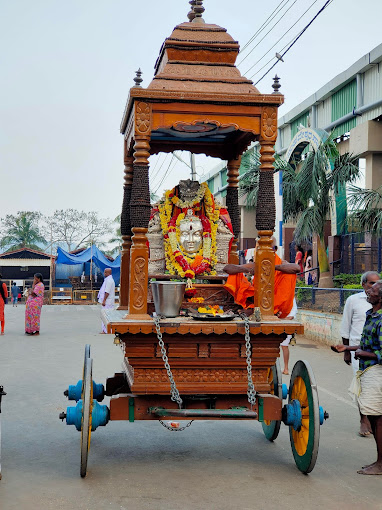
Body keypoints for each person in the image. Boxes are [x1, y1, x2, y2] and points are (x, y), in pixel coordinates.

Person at [333, 280, 382, 475]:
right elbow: (367, 345)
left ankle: (380, 464)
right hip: (367, 370)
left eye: (373, 290)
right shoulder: (371, 315)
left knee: (377, 418)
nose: (368, 292)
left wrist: (363, 354)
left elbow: (377, 353)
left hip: (376, 371)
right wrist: (348, 348)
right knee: (373, 415)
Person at [340, 271, 380, 436]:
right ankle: (363, 420)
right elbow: (345, 326)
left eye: (376, 283)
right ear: (363, 284)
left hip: (377, 352)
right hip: (359, 351)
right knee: (362, 386)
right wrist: (347, 351)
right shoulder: (353, 300)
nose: (373, 287)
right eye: (370, 283)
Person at [223, 237, 300, 318]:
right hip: (257, 299)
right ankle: (254, 309)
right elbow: (227, 268)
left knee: (289, 274)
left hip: (277, 304)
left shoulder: (282, 263)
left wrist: (271, 267)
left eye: (269, 249)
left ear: (275, 249)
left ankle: (271, 310)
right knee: (235, 274)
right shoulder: (255, 264)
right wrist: (248, 269)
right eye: (258, 249)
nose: (263, 252)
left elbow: (297, 268)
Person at [280, 298, 297, 375]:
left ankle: (286, 368)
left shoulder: (290, 295)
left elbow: (294, 309)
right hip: (275, 319)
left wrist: (290, 317)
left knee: (284, 346)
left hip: (286, 322)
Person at [98, 268, 115, 334]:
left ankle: (106, 330)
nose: (104, 273)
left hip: (107, 302)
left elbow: (107, 292)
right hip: (108, 302)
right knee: (107, 315)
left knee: (105, 316)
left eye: (105, 272)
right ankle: (106, 329)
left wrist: (104, 300)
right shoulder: (108, 280)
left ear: (109, 273)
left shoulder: (109, 280)